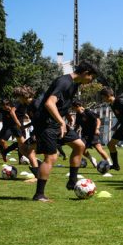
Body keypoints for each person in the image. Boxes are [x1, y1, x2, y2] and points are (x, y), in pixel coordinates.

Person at [30, 62, 96, 201]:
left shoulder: (75, 84)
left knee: (79, 146)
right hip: (46, 123)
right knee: (52, 157)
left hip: (57, 122)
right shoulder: (64, 81)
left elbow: (62, 102)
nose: (92, 81)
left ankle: (72, 181)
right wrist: (61, 122)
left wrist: (66, 115)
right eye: (92, 77)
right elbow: (49, 103)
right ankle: (39, 194)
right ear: (86, 73)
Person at [73, 99, 111, 169]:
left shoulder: (88, 112)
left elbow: (98, 120)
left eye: (73, 107)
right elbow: (77, 125)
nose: (73, 109)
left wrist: (97, 129)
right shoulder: (77, 114)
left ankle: (110, 163)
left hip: (93, 133)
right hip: (85, 135)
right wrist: (73, 132)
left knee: (99, 149)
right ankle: (92, 159)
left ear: (78, 106)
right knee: (81, 148)